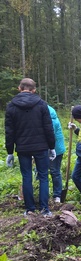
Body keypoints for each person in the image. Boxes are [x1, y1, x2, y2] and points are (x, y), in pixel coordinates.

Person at [5, 78, 56, 216]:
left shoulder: (11, 106)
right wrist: (52, 147)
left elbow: (9, 131)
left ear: (19, 88)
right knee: (44, 176)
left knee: (26, 176)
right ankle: (45, 209)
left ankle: (30, 209)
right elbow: (48, 128)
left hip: (23, 148)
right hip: (41, 146)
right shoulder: (42, 104)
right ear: (34, 90)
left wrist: (10, 152)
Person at [47, 105, 66, 203]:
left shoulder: (52, 120)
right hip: (46, 149)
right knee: (41, 172)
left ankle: (57, 195)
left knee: (54, 171)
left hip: (56, 150)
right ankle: (42, 194)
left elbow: (49, 136)